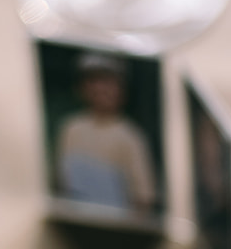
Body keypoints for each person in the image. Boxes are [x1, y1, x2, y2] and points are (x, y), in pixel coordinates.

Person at [56, 53, 158, 214]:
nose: (101, 89)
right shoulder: (71, 128)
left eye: (109, 82)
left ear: (122, 89)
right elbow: (61, 183)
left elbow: (143, 199)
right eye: (94, 81)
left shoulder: (131, 136)